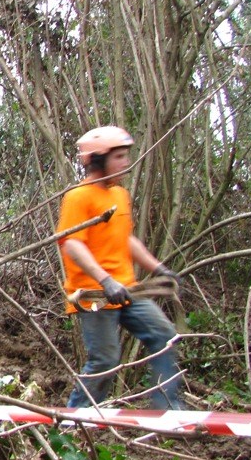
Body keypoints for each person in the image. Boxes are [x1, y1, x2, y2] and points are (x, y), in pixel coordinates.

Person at [57, 125, 184, 410]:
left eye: (126, 156)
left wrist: (160, 269)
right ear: (98, 160)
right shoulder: (79, 197)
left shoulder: (120, 196)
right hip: (92, 294)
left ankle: (167, 407)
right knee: (105, 359)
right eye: (119, 157)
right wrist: (105, 281)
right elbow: (73, 245)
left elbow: (126, 239)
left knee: (164, 336)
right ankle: (75, 418)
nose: (126, 163)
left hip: (126, 288)